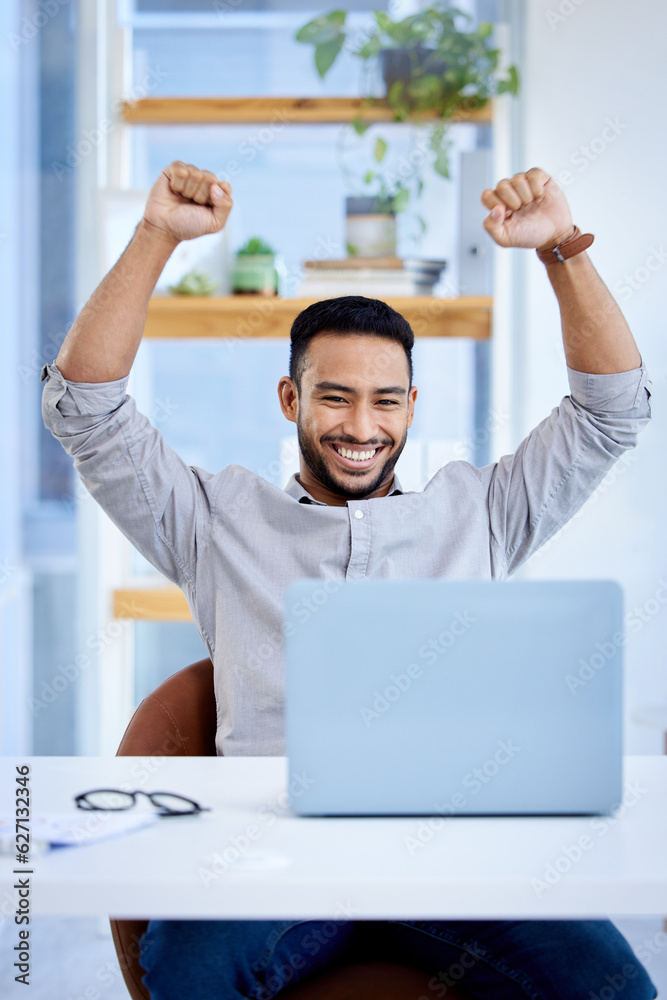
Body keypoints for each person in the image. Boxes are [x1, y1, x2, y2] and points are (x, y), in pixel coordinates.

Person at [42, 162, 655, 999]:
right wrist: (156, 237)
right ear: (291, 398)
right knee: (190, 972)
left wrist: (562, 249)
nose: (360, 428)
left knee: (612, 986)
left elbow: (610, 411)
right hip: (271, 863)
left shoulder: (482, 512)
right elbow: (85, 407)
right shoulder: (216, 520)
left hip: (459, 863)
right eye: (333, 399)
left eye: (385, 402)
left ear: (410, 405)